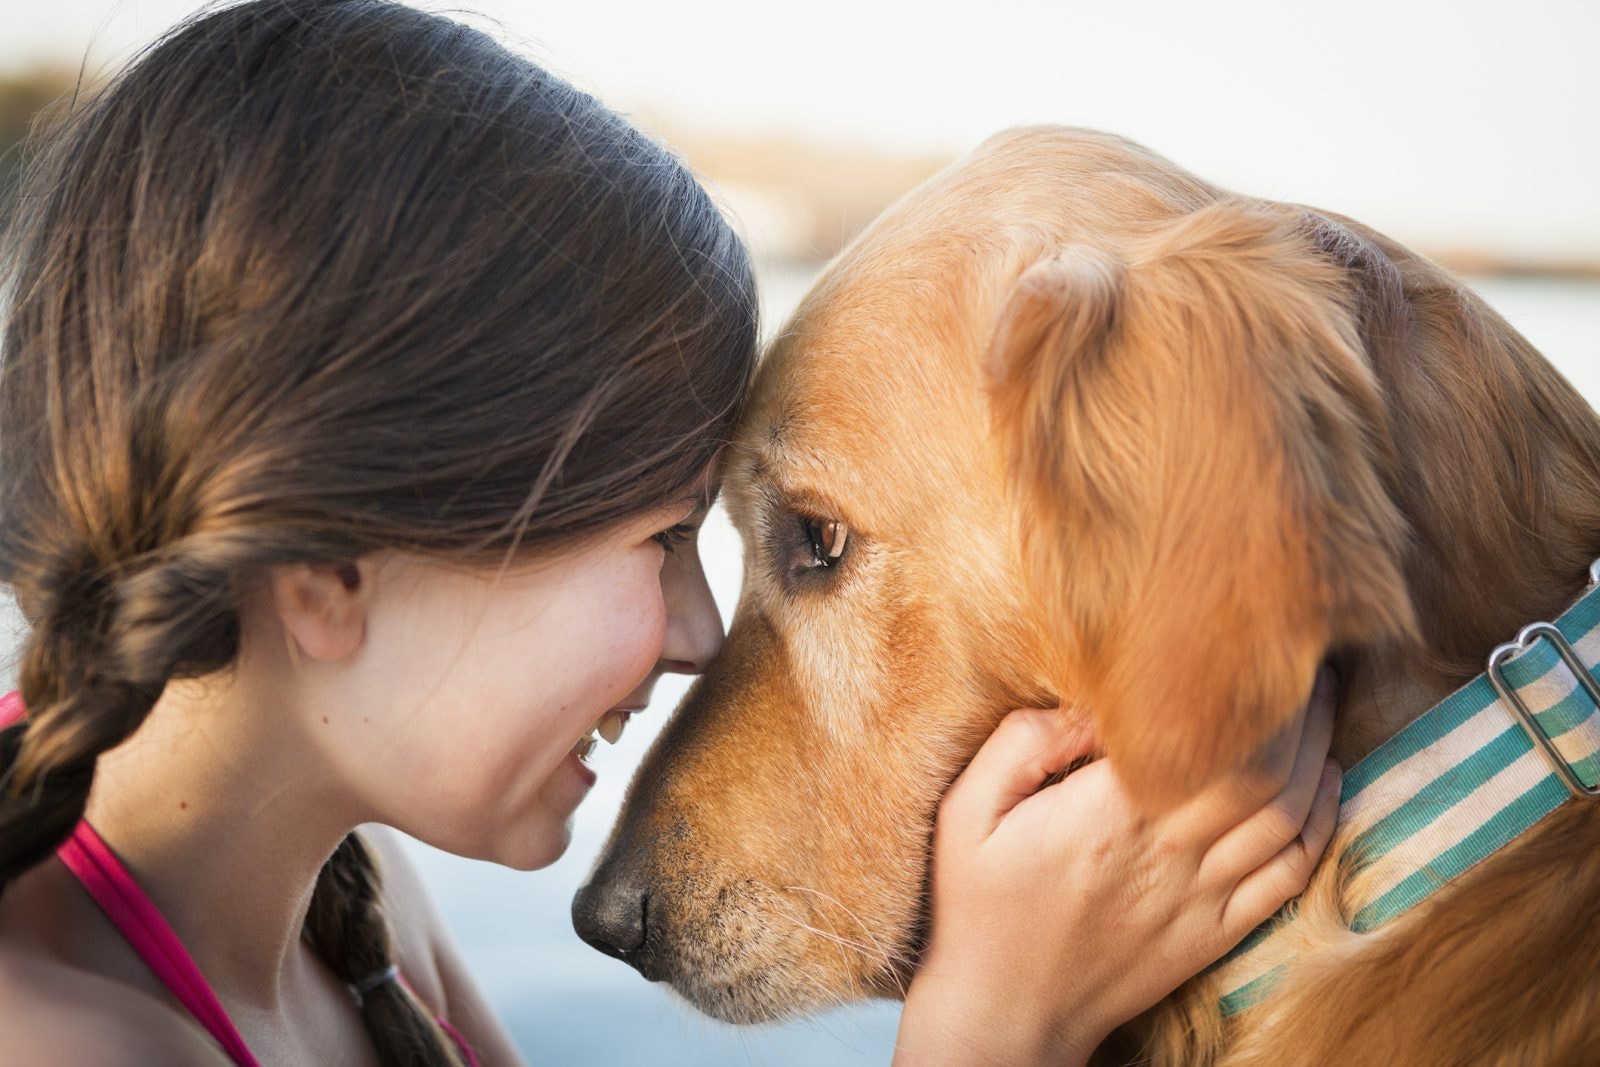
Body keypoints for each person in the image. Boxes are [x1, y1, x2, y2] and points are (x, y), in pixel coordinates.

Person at [0, 2, 1340, 1064]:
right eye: (658, 540)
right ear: (332, 569)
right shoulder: (65, 1044)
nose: (702, 637)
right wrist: (994, 1036)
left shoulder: (359, 904)